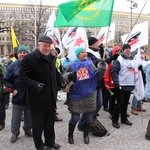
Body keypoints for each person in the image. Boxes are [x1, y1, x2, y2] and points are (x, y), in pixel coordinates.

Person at [19, 36, 65, 150]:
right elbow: (22, 77)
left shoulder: (51, 57)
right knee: (38, 124)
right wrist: (34, 85)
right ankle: (39, 145)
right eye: (45, 45)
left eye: (49, 46)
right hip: (37, 98)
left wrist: (61, 81)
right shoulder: (29, 58)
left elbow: (54, 72)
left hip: (51, 97)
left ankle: (50, 142)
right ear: (38, 45)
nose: (47, 48)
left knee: (50, 123)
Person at [63, 47, 104, 145]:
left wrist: (102, 69)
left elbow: (98, 77)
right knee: (75, 118)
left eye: (85, 52)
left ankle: (86, 135)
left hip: (89, 95)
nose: (85, 54)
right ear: (77, 54)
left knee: (88, 119)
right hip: (76, 95)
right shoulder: (72, 65)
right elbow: (63, 76)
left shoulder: (90, 64)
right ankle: (70, 135)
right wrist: (69, 75)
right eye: (82, 52)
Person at [3, 45, 32, 142]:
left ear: (28, 54)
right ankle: (15, 132)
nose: (22, 54)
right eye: (21, 53)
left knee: (29, 115)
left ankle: (28, 130)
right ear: (18, 54)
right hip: (18, 95)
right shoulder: (13, 65)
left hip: (29, 95)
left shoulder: (32, 65)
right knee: (16, 117)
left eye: (24, 52)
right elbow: (6, 80)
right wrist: (12, 90)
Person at [111, 44, 136, 129]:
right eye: (126, 49)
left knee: (125, 103)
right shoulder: (119, 59)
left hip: (129, 84)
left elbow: (135, 70)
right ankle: (115, 120)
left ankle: (124, 119)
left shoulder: (132, 60)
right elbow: (114, 72)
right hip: (121, 85)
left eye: (129, 49)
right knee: (119, 104)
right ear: (123, 50)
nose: (128, 50)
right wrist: (117, 83)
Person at [0, 61, 6, 131]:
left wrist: (5, 91)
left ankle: (1, 123)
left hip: (0, 92)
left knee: (1, 109)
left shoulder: (1, 66)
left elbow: (5, 79)